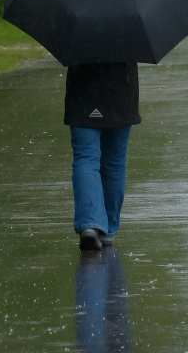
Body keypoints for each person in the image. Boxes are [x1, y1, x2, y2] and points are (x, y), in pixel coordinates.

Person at [64, 62, 141, 251]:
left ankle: (90, 224)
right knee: (114, 161)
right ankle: (107, 230)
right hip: (122, 86)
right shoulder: (128, 32)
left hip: (83, 87)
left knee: (86, 157)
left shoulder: (80, 33)